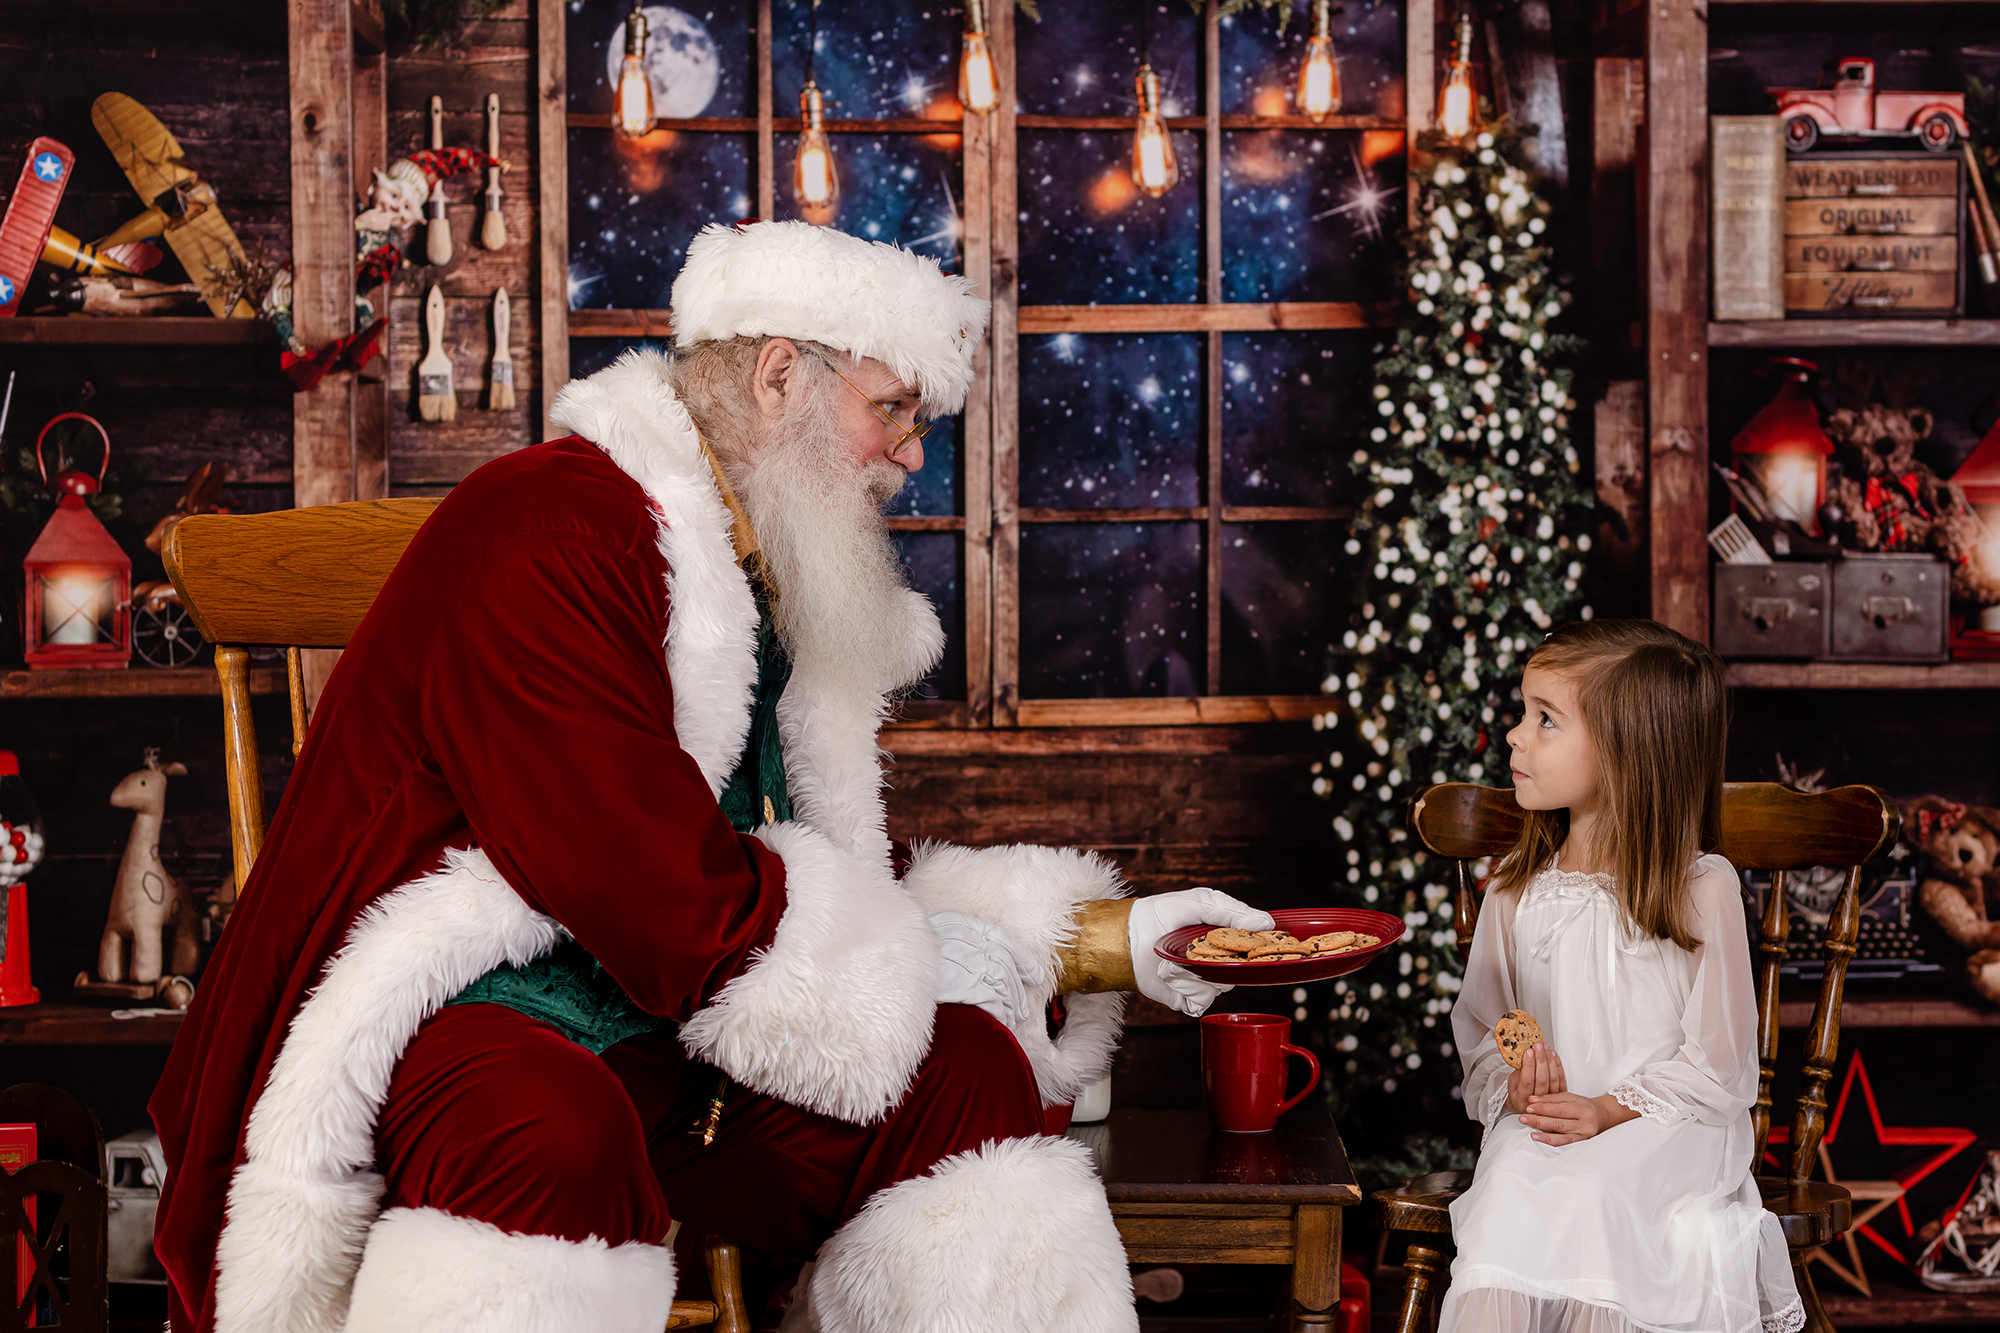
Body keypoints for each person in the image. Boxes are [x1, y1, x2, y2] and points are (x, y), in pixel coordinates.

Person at [148, 219, 1275, 1333]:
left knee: (967, 1071)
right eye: (893, 411)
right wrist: (919, 961)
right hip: (463, 1003)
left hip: (665, 1027)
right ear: (780, 376)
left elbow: (803, 857)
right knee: (552, 1128)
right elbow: (652, 889)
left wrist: (1104, 938)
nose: (914, 455)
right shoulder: (544, 530)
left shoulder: (754, 560)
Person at [1441, 619, 1802, 1333]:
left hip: (1665, 1127)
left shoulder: (1700, 888)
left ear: (1628, 751)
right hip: (1548, 1125)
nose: (1515, 734)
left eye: (1545, 719)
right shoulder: (1516, 891)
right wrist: (1516, 1082)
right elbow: (1485, 1027)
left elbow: (1721, 1065)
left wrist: (1608, 1109)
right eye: (1524, 711)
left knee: (1596, 1192)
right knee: (1511, 1185)